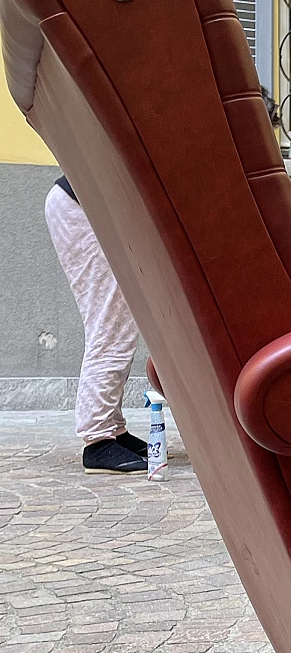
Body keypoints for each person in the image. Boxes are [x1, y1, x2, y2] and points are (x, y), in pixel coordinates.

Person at [44, 174, 147, 473]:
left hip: (84, 203)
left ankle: (113, 428)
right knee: (112, 326)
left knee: (115, 323)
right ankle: (98, 441)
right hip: (82, 208)